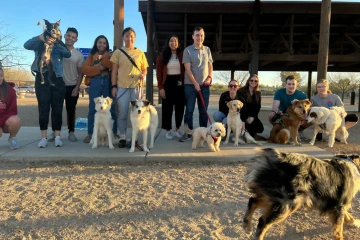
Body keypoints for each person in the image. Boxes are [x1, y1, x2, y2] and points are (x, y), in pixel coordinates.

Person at [24, 31, 71, 148]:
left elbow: (67, 54)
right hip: (42, 77)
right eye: (49, 35)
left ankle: (58, 137)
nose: (51, 37)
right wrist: (39, 38)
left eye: (54, 36)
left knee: (57, 108)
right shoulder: (39, 43)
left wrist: (57, 42)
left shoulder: (58, 45)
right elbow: (26, 45)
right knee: (43, 108)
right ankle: (43, 137)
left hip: (57, 78)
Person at [110, 27, 148, 148]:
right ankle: (122, 137)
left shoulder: (140, 53)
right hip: (122, 86)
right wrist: (114, 86)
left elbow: (144, 69)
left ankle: (134, 137)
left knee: (137, 113)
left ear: (135, 38)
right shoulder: (118, 53)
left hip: (137, 87)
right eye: (127, 36)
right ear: (123, 37)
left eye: (131, 36)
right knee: (122, 112)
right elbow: (114, 71)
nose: (129, 38)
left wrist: (143, 74)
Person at [48, 27, 84, 142]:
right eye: (69, 36)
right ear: (64, 36)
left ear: (76, 40)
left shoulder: (78, 55)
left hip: (72, 86)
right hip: (58, 85)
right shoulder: (56, 49)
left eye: (73, 37)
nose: (70, 38)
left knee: (71, 110)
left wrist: (77, 87)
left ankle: (71, 132)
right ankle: (55, 132)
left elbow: (80, 73)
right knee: (55, 110)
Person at [180, 27, 213, 142]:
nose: (199, 37)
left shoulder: (207, 50)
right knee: (189, 110)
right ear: (193, 36)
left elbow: (210, 65)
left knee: (203, 111)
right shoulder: (187, 50)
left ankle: (203, 134)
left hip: (204, 86)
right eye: (197, 35)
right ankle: (188, 133)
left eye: (201, 35)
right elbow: (187, 69)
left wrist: (209, 77)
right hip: (190, 86)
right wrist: (195, 84)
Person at [81, 35, 117, 143]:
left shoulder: (111, 54)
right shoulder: (91, 56)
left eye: (104, 43)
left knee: (110, 107)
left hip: (107, 81)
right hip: (95, 81)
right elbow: (85, 69)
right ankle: (91, 134)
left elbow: (112, 66)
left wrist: (103, 61)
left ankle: (113, 133)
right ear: (96, 43)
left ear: (107, 45)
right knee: (93, 108)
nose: (102, 44)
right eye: (99, 42)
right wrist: (100, 68)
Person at [156, 35, 185, 140]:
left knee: (180, 107)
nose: (174, 43)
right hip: (167, 82)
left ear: (178, 43)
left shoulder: (182, 55)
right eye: (171, 41)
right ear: (168, 43)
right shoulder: (162, 56)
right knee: (167, 108)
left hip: (179, 82)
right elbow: (159, 72)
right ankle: (168, 130)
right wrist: (160, 87)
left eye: (176, 41)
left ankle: (177, 129)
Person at [268, 75, 309, 140]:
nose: (291, 86)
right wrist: (276, 111)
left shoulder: (301, 94)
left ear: (297, 85)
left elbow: (307, 107)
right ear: (285, 85)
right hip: (283, 114)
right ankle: (280, 130)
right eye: (289, 84)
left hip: (296, 115)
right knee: (271, 115)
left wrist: (304, 117)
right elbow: (275, 107)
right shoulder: (279, 92)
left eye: (293, 84)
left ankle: (299, 131)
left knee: (311, 117)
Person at [0, 65, 21, 150]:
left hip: (5, 122)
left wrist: (0, 124)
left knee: (15, 120)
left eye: (1, 75)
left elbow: (13, 111)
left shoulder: (10, 91)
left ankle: (12, 138)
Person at [238, 74, 264, 140]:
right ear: (248, 81)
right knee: (246, 124)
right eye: (251, 80)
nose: (253, 82)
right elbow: (241, 107)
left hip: (252, 115)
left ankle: (250, 134)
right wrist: (244, 119)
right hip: (242, 115)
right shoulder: (241, 91)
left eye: (256, 81)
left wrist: (253, 117)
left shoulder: (258, 93)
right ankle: (246, 133)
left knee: (260, 128)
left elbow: (258, 107)